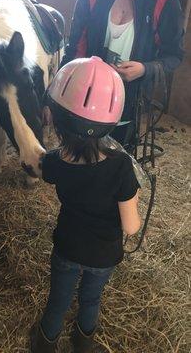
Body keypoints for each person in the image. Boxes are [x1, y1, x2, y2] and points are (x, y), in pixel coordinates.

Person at [30, 56, 141, 353]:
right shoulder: (121, 167)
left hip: (67, 247)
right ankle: (83, 340)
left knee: (59, 299)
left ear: (55, 116)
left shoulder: (54, 162)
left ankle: (46, 342)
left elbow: (43, 168)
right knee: (91, 300)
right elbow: (131, 227)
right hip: (104, 256)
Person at [59, 0, 184, 148]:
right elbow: (74, 48)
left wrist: (144, 69)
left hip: (126, 105)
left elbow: (173, 55)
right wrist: (56, 96)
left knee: (115, 164)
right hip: (83, 102)